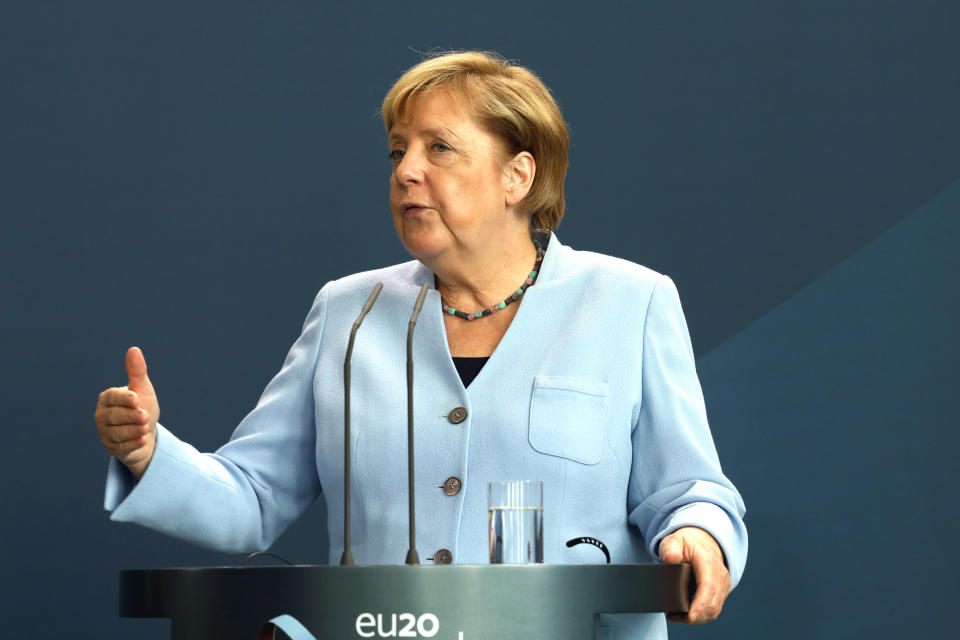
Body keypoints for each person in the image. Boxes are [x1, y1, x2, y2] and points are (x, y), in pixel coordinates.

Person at [95, 51, 746, 638]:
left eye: (439, 149)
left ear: (517, 176)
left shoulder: (630, 301)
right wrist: (151, 454)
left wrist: (699, 534)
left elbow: (690, 489)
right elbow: (253, 500)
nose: (406, 171)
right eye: (397, 151)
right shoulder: (346, 312)